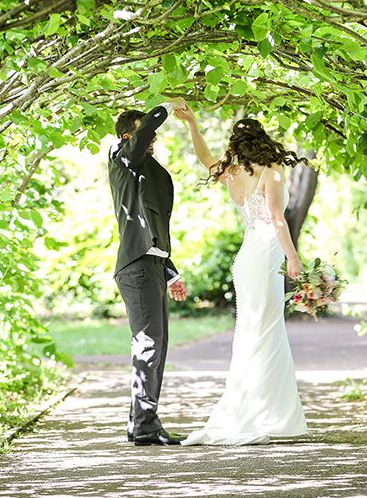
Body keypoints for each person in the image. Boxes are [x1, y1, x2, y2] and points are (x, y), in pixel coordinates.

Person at [174, 107, 309, 445]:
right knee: (265, 333)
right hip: (265, 255)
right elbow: (277, 220)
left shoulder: (231, 173)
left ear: (236, 143)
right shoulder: (272, 170)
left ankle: (262, 413)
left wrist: (193, 123)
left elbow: (204, 155)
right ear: (261, 140)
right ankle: (257, 416)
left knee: (253, 334)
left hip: (247, 258)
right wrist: (294, 258)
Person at [109, 98, 189, 446]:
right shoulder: (121, 158)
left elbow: (155, 229)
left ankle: (138, 422)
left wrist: (170, 272)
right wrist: (166, 107)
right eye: (146, 135)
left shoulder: (144, 169)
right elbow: (141, 139)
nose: (152, 140)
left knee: (158, 345)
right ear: (128, 136)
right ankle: (145, 424)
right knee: (148, 345)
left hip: (153, 266)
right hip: (137, 268)